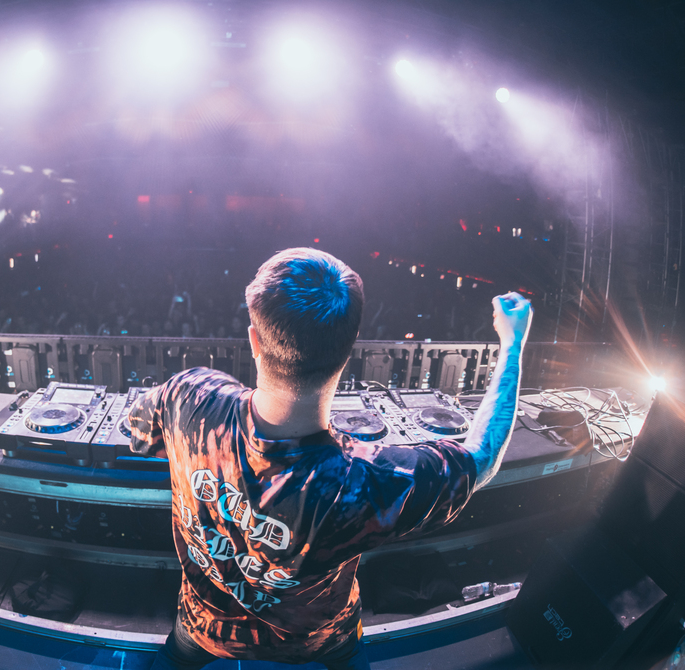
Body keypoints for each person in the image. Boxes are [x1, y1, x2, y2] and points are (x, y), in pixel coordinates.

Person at [129, 248, 532, 669]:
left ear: (254, 340)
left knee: (175, 657)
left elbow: (139, 434)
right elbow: (482, 457)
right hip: (318, 639)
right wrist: (513, 344)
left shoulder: (190, 396)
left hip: (204, 625)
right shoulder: (365, 482)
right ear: (347, 350)